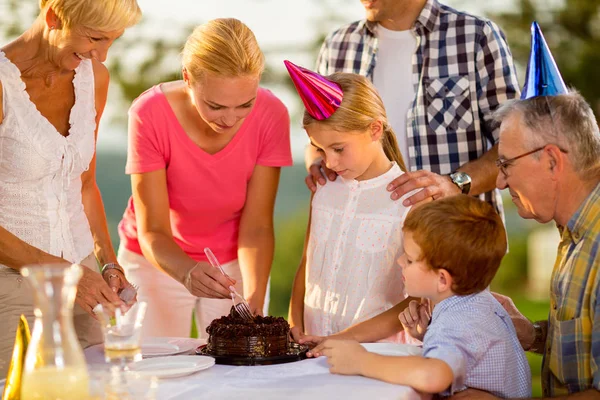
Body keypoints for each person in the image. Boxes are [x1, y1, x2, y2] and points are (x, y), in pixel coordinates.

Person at [448, 22, 600, 400]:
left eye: (506, 164)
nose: (500, 183)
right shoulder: (577, 234)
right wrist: (530, 333)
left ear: (550, 160)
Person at [117, 18, 292, 339]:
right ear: (188, 79)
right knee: (155, 373)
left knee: (238, 370)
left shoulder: (272, 114)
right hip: (156, 261)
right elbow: (153, 229)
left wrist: (253, 295)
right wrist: (185, 273)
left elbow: (257, 226)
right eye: (215, 105)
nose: (230, 119)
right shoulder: (149, 113)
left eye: (245, 104)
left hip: (235, 263)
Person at [0, 0, 141, 375]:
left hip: (84, 288)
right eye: (95, 38)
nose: (102, 53)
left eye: (112, 41)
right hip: (11, 287)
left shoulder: (94, 76)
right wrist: (64, 274)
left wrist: (107, 263)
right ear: (52, 17)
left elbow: (85, 184)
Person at [307, 0, 520, 215]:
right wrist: (318, 160)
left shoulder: (476, 36)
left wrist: (455, 183)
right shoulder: (337, 46)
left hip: (457, 234)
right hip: (364, 237)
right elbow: (317, 143)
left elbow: (515, 146)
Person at [310, 195, 531, 398]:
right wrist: (428, 335)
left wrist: (360, 360)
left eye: (409, 259)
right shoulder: (480, 301)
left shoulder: (455, 322)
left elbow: (432, 376)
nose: (400, 262)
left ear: (442, 280)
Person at [285, 61, 418, 343]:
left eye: (338, 148)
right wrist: (294, 322)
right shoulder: (324, 187)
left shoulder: (409, 200)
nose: (329, 161)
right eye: (320, 149)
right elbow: (307, 262)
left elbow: (417, 299)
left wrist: (344, 339)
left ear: (374, 129)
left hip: (376, 357)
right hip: (312, 351)